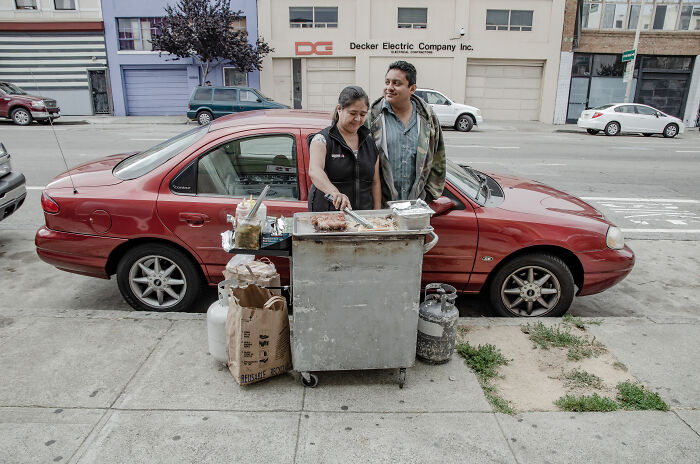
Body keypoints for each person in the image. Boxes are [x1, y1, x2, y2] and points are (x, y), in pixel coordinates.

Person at [368, 60, 446, 205]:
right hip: (380, 208)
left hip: (415, 209)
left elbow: (438, 159)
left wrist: (428, 197)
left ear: (412, 88)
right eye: (387, 82)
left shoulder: (427, 118)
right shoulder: (372, 118)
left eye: (396, 83)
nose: (389, 88)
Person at [308, 86, 382, 212]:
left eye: (363, 114)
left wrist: (376, 213)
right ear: (339, 109)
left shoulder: (370, 143)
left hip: (362, 219)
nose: (358, 119)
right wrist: (334, 193)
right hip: (328, 216)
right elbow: (315, 171)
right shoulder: (322, 140)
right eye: (353, 113)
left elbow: (375, 182)